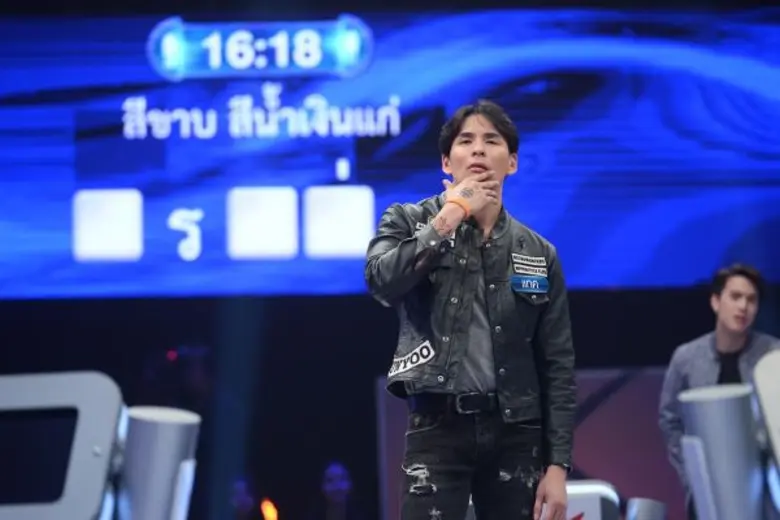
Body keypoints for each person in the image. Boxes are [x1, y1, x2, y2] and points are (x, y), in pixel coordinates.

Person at [365, 100, 576, 520]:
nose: (478, 149)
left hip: (516, 434)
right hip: (437, 426)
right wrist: (451, 214)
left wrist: (557, 467)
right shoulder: (407, 220)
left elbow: (557, 365)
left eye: (491, 141)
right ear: (447, 161)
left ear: (512, 162)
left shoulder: (538, 252)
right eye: (466, 141)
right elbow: (381, 282)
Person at [658, 264, 780, 520]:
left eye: (751, 300)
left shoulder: (772, 356)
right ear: (716, 302)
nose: (743, 306)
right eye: (735, 297)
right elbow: (670, 420)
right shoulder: (687, 358)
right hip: (707, 487)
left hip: (763, 491)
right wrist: (691, 472)